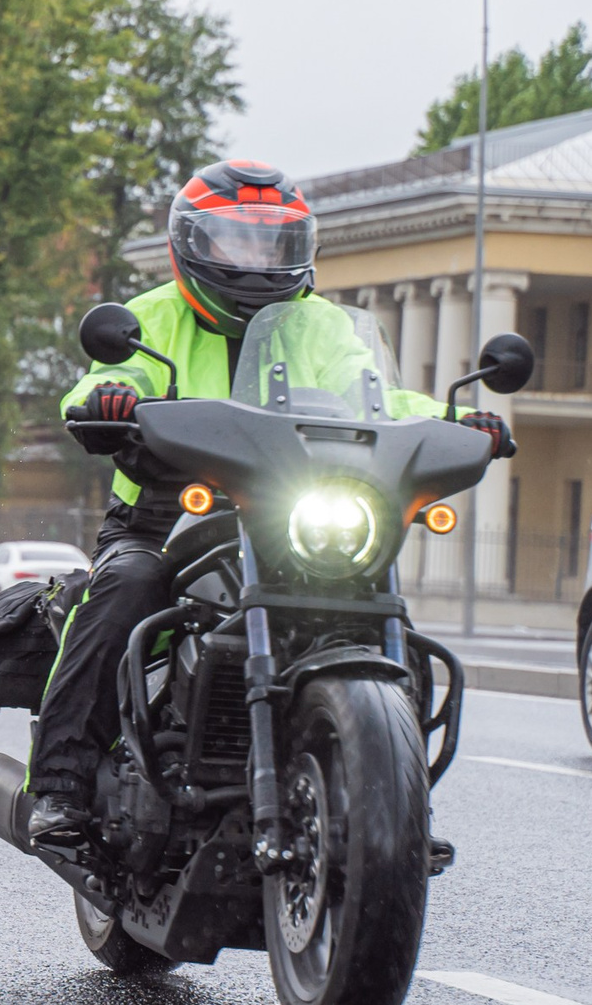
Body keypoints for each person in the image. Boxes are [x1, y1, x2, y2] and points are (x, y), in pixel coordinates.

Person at [28, 160, 512, 845]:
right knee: (123, 587)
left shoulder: (319, 325)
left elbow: (374, 391)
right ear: (190, 243)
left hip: (288, 511)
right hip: (167, 517)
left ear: (300, 248)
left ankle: (397, 810)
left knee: (373, 609)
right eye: (236, 241)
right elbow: (114, 371)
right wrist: (109, 400)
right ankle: (60, 785)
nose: (255, 259)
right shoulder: (151, 315)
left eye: (272, 242)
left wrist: (456, 417)